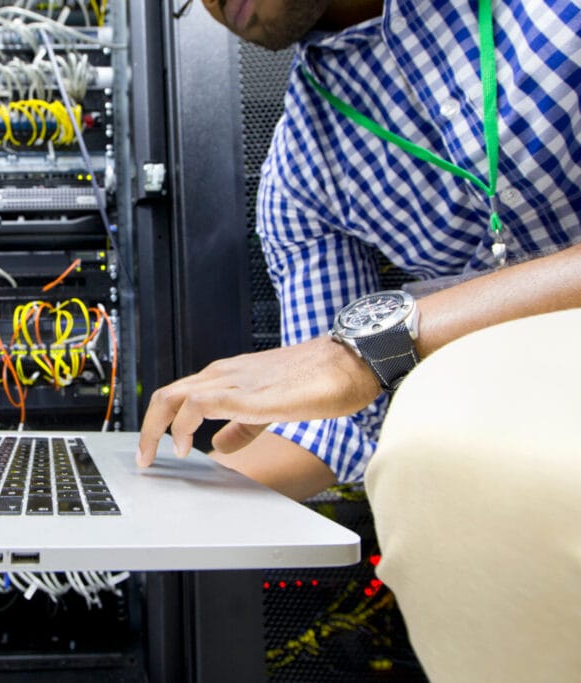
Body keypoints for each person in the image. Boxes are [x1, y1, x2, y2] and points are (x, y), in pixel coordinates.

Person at [136, 2, 581, 678]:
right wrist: (140, 509)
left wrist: (381, 340)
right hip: (547, 455)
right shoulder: (302, 176)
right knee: (422, 462)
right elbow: (334, 429)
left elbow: (348, 366)